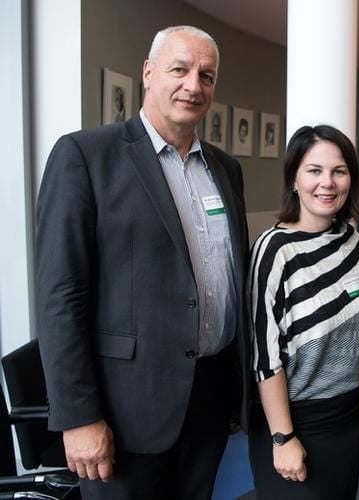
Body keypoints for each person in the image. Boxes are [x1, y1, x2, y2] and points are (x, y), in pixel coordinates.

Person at [35, 26, 249, 499]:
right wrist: (78, 417)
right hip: (124, 410)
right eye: (180, 69)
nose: (194, 85)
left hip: (209, 401)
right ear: (148, 74)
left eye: (206, 75)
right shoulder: (86, 156)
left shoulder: (226, 169)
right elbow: (60, 297)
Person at [247, 125, 359, 499]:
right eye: (314, 170)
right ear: (294, 179)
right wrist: (283, 437)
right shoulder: (274, 251)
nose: (327, 183)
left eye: (339, 171)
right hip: (295, 420)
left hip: (347, 416)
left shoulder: (353, 242)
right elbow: (264, 356)